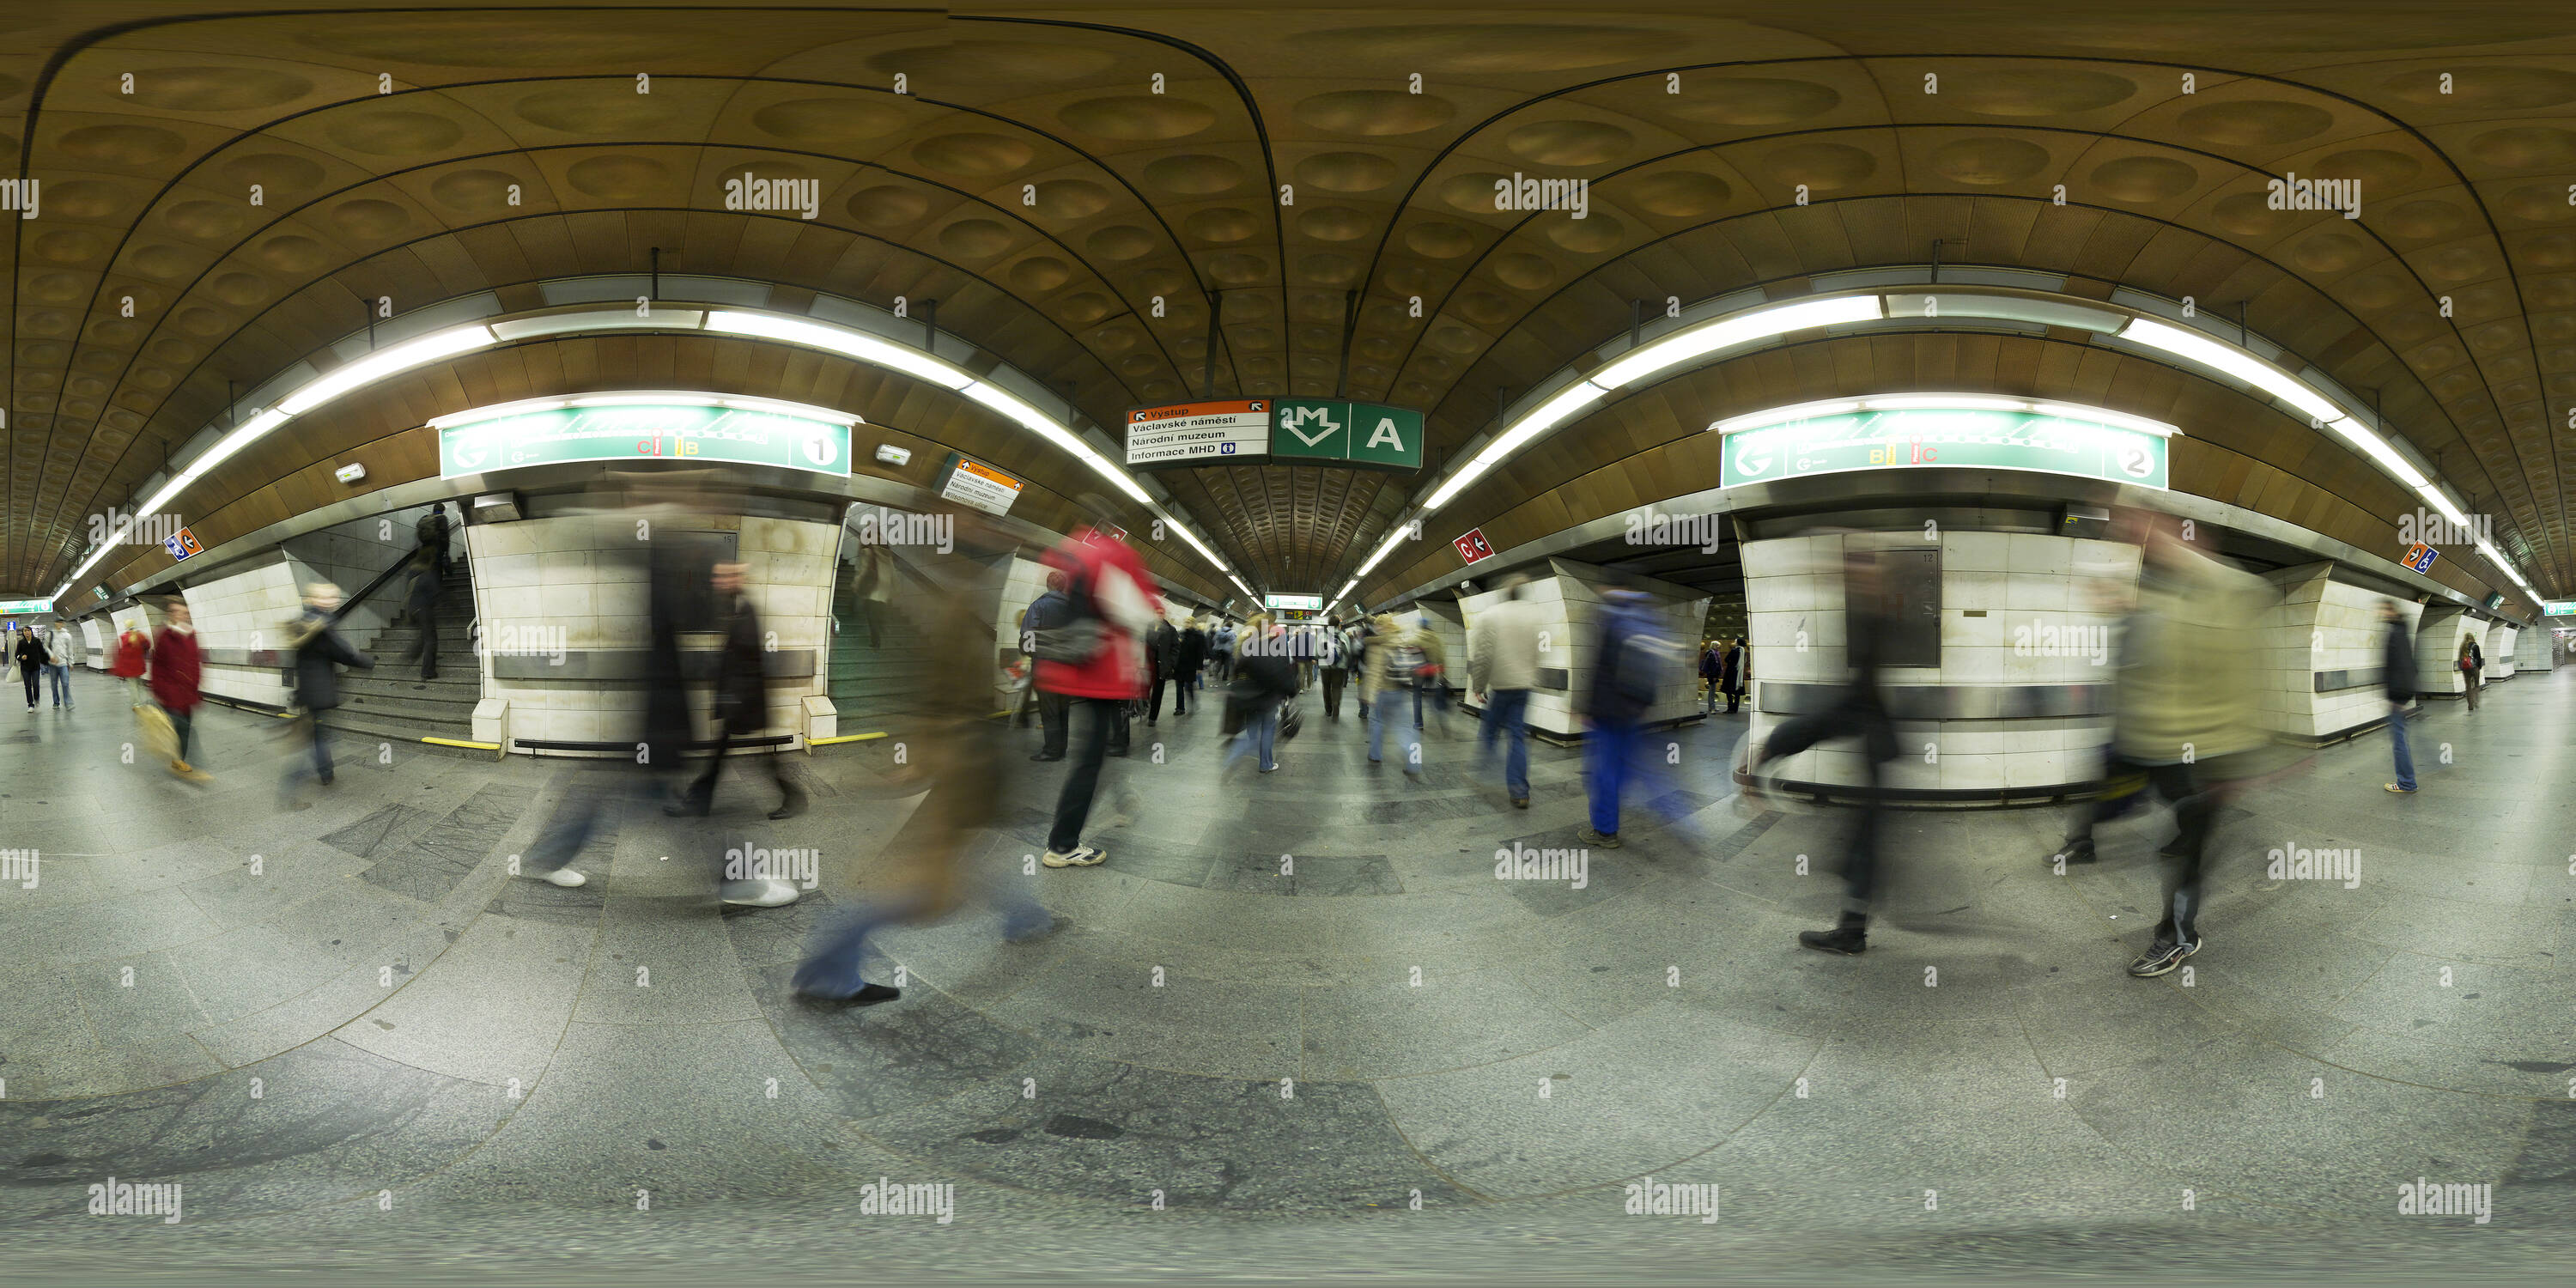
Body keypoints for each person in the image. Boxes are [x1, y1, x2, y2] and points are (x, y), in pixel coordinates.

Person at [793, 562, 1055, 1005]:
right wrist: (926, 756)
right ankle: (828, 971)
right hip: (961, 767)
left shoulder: (959, 599)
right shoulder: (958, 605)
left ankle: (1024, 915)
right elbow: (939, 695)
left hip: (964, 764)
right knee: (914, 885)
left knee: (964, 859)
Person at [1743, 552, 1899, 951]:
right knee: (1864, 839)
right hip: (1878, 749)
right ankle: (1853, 926)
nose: (1854, 583)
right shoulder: (1876, 624)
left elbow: (1852, 706)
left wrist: (1772, 749)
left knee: (1864, 841)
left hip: (1875, 748)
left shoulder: (1871, 626)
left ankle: (1851, 932)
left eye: (1862, 575)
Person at [1031, 516, 1162, 869]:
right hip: (1100, 671)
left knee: (1093, 752)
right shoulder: (1117, 555)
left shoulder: (1075, 551)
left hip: (1072, 669)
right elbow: (1132, 611)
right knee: (1089, 760)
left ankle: (1118, 799)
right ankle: (1062, 845)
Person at [668, 561, 809, 826]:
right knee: (726, 755)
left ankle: (793, 797)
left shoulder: (747, 612)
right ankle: (699, 801)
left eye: (722, 578)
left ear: (735, 579)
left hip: (745, 702)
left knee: (760, 756)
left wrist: (732, 701)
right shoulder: (737, 609)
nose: (716, 582)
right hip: (741, 700)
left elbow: (747, 665)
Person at [1578, 587, 1675, 848]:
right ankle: (1672, 814)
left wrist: (1589, 709)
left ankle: (1605, 831)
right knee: (1626, 767)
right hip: (1633, 712)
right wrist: (1644, 703)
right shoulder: (1647, 619)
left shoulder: (1612, 619)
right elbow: (1653, 666)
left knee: (1602, 772)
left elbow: (1602, 671)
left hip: (1608, 712)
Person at [283, 582, 373, 796]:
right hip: (320, 689)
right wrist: (367, 662)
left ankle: (320, 768)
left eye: (334, 597)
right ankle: (324, 772)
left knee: (317, 731)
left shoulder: (303, 620)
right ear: (313, 599)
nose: (332, 601)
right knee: (320, 735)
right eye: (326, 597)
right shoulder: (321, 623)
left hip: (308, 687)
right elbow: (342, 653)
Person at [1469, 578, 1541, 809]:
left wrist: (1478, 686)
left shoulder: (1491, 616)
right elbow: (1537, 653)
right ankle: (1520, 791)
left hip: (1501, 687)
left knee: (1490, 732)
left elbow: (1483, 655)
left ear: (1503, 594)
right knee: (1517, 736)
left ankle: (1485, 769)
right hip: (1524, 686)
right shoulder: (1533, 616)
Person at [1224, 614, 1297, 775]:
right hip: (1269, 696)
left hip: (1249, 695)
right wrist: (1290, 690)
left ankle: (1238, 752)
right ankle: (1266, 763)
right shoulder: (1275, 643)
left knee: (1252, 726)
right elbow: (1282, 670)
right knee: (1268, 729)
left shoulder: (1246, 643)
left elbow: (1237, 669)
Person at [149, 599, 209, 783]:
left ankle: (178, 759)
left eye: (185, 613)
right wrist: (161, 690)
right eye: (178, 612)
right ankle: (184, 761)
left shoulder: (192, 635)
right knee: (182, 726)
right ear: (171, 614)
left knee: (185, 727)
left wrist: (197, 684)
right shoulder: (164, 636)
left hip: (188, 691)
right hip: (170, 692)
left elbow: (196, 661)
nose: (182, 615)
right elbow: (157, 665)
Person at [1361, 613, 1427, 777]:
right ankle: (1415, 762)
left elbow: (1375, 672)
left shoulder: (1377, 644)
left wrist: (1369, 695)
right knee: (1405, 728)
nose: (1375, 628)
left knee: (1376, 722)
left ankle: (1375, 754)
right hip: (1400, 690)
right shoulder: (1401, 639)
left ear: (1380, 626)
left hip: (1383, 691)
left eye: (1377, 625)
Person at [1023, 571, 1073, 761]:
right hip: (1067, 668)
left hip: (1046, 667)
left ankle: (1052, 751)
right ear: (1063, 586)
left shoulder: (1039, 606)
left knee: (1050, 710)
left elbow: (1028, 639)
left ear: (1048, 585)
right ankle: (1062, 748)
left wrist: (1033, 654)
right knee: (1063, 709)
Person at [2385, 602, 2420, 794]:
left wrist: (2394, 696)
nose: (2381, 613)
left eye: (2384, 609)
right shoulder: (2404, 633)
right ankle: (2407, 781)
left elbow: (2396, 667)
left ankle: (2407, 783)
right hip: (2402, 693)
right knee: (2400, 739)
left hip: (2397, 695)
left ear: (2392, 612)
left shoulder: (2395, 635)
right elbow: (2413, 667)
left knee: (2399, 741)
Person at [399, 547, 441, 680]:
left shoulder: (412, 571)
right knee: (431, 640)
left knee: (425, 636)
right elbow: (435, 592)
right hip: (424, 609)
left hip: (412, 609)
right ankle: (428, 671)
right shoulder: (427, 572)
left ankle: (410, 655)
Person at [1411, 614, 1450, 733]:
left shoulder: (1415, 638)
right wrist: (1442, 675)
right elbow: (1441, 658)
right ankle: (1441, 720)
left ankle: (1418, 723)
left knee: (1417, 697)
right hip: (1431, 671)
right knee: (1432, 697)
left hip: (1418, 672)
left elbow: (1409, 654)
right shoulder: (1436, 639)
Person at [1145, 613, 1184, 724]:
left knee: (1158, 692)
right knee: (1144, 689)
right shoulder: (1147, 626)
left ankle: (1152, 717)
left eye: (1161, 612)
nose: (1158, 615)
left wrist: (1171, 664)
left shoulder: (1171, 630)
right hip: (1148, 664)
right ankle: (1143, 707)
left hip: (1162, 666)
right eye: (1156, 612)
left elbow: (1176, 648)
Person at [1317, 617, 1352, 720]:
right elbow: (1348, 652)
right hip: (1340, 667)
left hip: (1325, 667)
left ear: (1328, 624)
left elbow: (1317, 652)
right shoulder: (1344, 636)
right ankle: (1336, 705)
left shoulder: (1322, 635)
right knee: (1337, 687)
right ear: (1339, 624)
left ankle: (1328, 710)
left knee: (1326, 688)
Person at [112, 619, 152, 708]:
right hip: (139, 664)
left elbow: (120, 652)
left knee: (132, 685)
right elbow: (148, 646)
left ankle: (136, 703)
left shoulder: (123, 637)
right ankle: (142, 700)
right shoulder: (141, 635)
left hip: (128, 666)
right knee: (139, 683)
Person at [44, 622, 77, 708]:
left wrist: (71, 662)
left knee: (65, 683)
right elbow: (45, 647)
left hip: (63, 663)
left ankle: (68, 703)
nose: (59, 624)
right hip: (53, 664)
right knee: (54, 684)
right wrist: (51, 656)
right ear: (55, 623)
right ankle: (56, 702)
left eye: (61, 623)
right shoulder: (50, 634)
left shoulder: (67, 636)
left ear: (63, 624)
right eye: (57, 622)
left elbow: (70, 650)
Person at [14, 627, 47, 712]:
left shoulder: (37, 641)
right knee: (27, 686)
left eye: (28, 630)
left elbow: (42, 652)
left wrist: (47, 662)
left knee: (36, 685)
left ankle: (37, 698)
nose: (27, 632)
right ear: (23, 633)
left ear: (31, 632)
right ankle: (30, 705)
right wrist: (21, 657)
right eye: (25, 631)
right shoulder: (21, 643)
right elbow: (17, 655)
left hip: (36, 667)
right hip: (25, 668)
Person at [416, 501, 453, 579]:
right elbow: (444, 536)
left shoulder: (426, 517)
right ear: (443, 510)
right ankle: (436, 587)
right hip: (437, 549)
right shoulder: (442, 518)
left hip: (425, 548)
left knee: (428, 568)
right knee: (437, 569)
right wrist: (446, 551)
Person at [1720, 638, 1749, 714]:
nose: (1734, 643)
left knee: (1728, 691)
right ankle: (1735, 709)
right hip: (1739, 674)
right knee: (1737, 692)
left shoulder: (1734, 651)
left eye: (1735, 642)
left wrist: (1731, 663)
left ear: (1738, 643)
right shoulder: (1743, 652)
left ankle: (1730, 708)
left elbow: (1726, 659)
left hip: (1731, 673)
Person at [2458, 636, 2483, 712]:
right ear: (2472, 638)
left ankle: (2470, 705)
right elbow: (2478, 658)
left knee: (2468, 687)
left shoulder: (2462, 646)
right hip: (2474, 668)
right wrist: (2479, 667)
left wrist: (2462, 668)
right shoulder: (2475, 646)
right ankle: (2476, 701)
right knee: (2476, 685)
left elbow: (2459, 659)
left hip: (2465, 669)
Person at [1698, 640, 1722, 714]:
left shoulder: (1715, 653)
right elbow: (1712, 666)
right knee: (1712, 691)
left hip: (1714, 674)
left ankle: (1711, 707)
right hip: (1712, 675)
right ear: (1714, 646)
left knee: (1712, 691)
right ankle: (1712, 708)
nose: (1719, 647)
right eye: (1718, 645)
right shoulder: (1711, 654)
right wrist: (1714, 675)